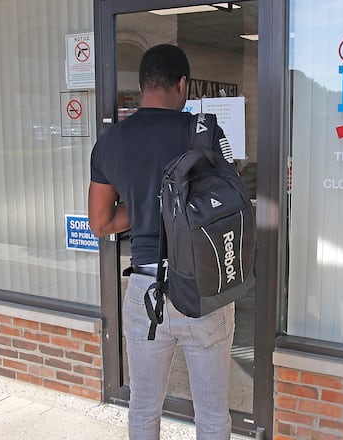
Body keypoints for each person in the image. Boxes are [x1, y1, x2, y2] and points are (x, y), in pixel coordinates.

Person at [88, 44, 236, 440]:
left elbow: (100, 222)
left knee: (143, 407)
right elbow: (226, 208)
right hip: (202, 289)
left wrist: (140, 211)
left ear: (141, 86)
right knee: (212, 412)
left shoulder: (111, 142)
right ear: (182, 84)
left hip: (145, 290)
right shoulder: (203, 134)